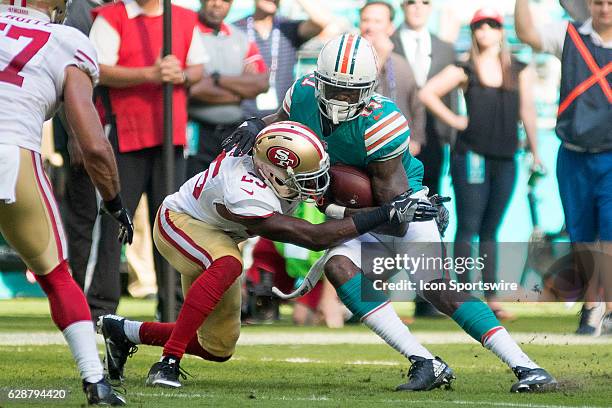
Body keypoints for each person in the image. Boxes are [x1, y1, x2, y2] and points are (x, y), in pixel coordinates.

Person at [223, 34, 557, 393]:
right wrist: (258, 125)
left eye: (351, 91)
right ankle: (424, 361)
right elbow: (280, 122)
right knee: (339, 267)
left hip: (401, 211)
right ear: (318, 81)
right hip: (357, 210)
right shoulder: (302, 93)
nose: (340, 99)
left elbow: (391, 216)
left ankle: (527, 366)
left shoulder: (383, 122)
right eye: (333, 88)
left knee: (437, 289)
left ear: (369, 88)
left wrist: (331, 204)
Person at [97, 121, 433, 387]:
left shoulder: (275, 172)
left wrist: (394, 209)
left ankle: (123, 332)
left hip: (218, 235)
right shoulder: (244, 189)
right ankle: (167, 364)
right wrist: (382, 214)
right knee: (229, 264)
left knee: (218, 346)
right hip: (177, 223)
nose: (316, 184)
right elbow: (313, 237)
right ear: (274, 173)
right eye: (306, 178)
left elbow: (332, 211)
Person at [0, 0, 133, 404]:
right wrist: (113, 200)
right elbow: (93, 144)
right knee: (57, 276)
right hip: (12, 152)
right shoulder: (68, 39)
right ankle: (96, 383)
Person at [87, 0, 208, 320]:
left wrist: (179, 74)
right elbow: (97, 69)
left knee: (171, 224)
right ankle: (101, 307)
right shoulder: (113, 16)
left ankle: (173, 308)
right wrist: (150, 74)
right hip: (125, 134)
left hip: (170, 135)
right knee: (115, 222)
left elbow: (197, 67)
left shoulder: (182, 17)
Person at [419, 8, 542, 320]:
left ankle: (490, 297)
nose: (485, 30)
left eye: (492, 25)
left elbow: (527, 110)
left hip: (505, 156)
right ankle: (462, 297)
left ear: (501, 30)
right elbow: (427, 93)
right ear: (473, 31)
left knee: (491, 229)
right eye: (479, 26)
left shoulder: (520, 69)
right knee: (468, 226)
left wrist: (535, 150)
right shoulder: (465, 68)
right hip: (471, 155)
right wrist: (456, 121)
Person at [514, 0, 612, 335]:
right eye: (599, 2)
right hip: (573, 153)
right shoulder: (569, 34)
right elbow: (526, 33)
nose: (605, 9)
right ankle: (597, 304)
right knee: (582, 237)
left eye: (610, 3)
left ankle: (596, 307)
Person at [186, 0, 269, 179]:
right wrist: (241, 90)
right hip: (197, 131)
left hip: (232, 130)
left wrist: (216, 79)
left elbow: (262, 83)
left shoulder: (239, 37)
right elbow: (194, 90)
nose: (217, 4)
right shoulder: (187, 31)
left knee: (227, 193)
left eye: (225, 0)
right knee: (192, 194)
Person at [391, 0, 457, 196]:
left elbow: (451, 98)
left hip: (434, 138)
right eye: (412, 2)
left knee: (432, 202)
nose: (418, 7)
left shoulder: (445, 48)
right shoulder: (389, 43)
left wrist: (451, 141)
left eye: (425, 2)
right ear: (402, 6)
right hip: (395, 135)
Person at [235, 0, 332, 119]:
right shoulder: (236, 29)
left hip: (280, 117)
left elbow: (322, 21)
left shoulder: (287, 27)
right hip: (242, 117)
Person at [360, 0, 426, 149]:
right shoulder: (351, 59)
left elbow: (416, 103)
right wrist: (380, 58)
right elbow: (358, 95)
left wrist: (416, 139)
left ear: (390, 28)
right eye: (365, 20)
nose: (370, 27)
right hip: (362, 145)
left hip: (398, 146)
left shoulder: (401, 64)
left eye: (377, 21)